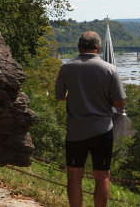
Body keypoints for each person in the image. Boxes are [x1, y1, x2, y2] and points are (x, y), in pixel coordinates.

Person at [55, 31, 126, 207]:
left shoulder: (67, 67)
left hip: (75, 130)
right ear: (98, 48)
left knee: (74, 177)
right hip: (102, 130)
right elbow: (119, 103)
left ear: (79, 47)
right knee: (102, 176)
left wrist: (75, 95)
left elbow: (59, 96)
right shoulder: (110, 69)